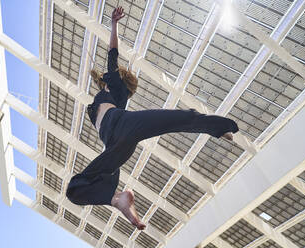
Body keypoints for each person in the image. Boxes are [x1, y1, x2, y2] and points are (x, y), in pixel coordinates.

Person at [66, 7, 239, 230]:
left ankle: (217, 128)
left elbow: (112, 52)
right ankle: (118, 201)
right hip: (115, 146)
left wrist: (114, 25)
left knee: (174, 119)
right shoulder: (107, 90)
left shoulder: (117, 90)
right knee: (74, 189)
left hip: (121, 124)